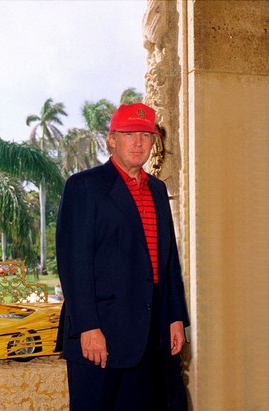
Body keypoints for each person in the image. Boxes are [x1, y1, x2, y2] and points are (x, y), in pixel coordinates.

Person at [56, 102, 190, 410]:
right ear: (111, 140)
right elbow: (74, 264)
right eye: (130, 134)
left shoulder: (157, 189)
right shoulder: (84, 187)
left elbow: (168, 262)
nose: (139, 142)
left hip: (150, 335)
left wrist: (174, 317)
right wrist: (88, 327)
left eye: (146, 134)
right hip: (100, 336)